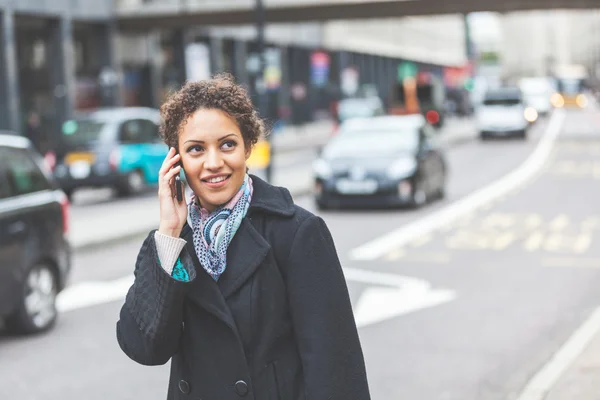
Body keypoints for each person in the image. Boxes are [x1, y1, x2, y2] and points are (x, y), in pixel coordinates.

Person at [116, 73, 371, 400]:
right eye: (195, 149)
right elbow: (145, 348)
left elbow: (335, 370)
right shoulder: (174, 241)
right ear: (175, 160)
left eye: (227, 144)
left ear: (248, 146)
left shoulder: (296, 233)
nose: (213, 163)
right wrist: (168, 231)